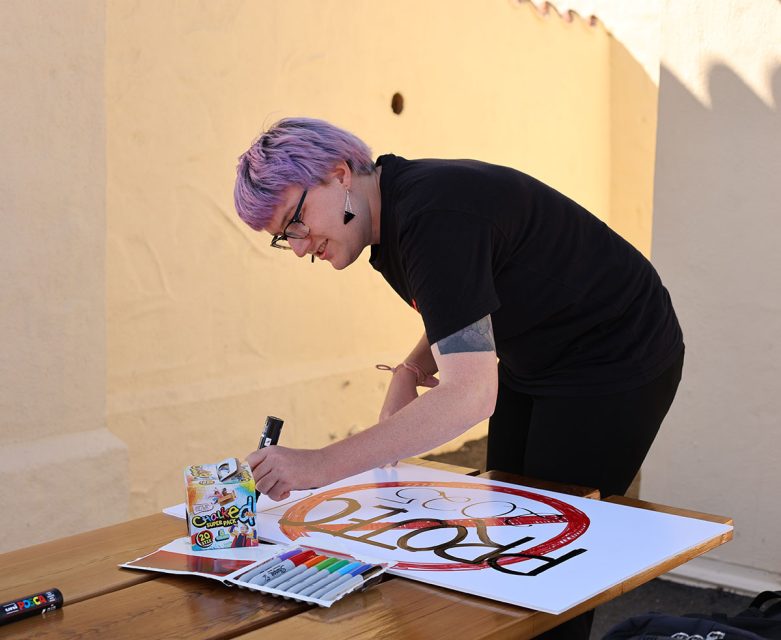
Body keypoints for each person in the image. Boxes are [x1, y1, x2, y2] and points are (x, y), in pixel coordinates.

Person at [234, 117, 684, 639]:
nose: (296, 246)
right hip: (536, 354)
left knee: (549, 561)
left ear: (338, 176)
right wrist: (413, 365)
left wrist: (320, 465)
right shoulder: (387, 216)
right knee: (502, 544)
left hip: (616, 356)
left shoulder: (432, 215)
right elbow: (466, 299)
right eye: (280, 239)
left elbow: (470, 395)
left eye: (294, 221)